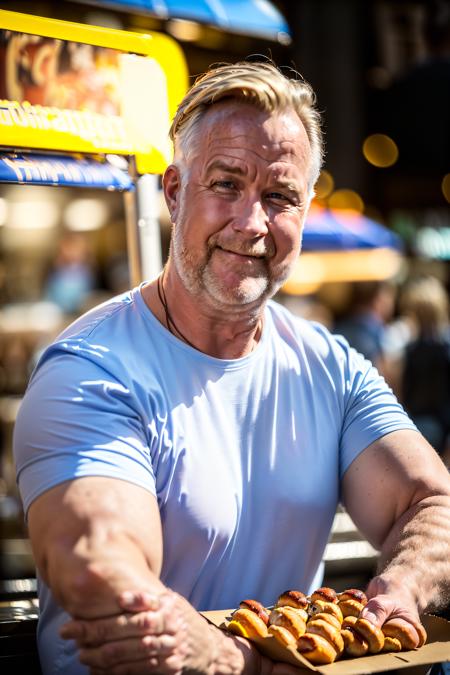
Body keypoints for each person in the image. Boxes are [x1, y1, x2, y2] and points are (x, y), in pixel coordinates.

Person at [13, 61, 450, 675]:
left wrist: (399, 593)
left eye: (279, 196)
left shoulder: (331, 367)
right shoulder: (90, 373)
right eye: (225, 185)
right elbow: (102, 579)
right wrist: (241, 662)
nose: (251, 224)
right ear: (173, 192)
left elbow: (432, 503)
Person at [399, 276, 450, 461]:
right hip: (440, 426)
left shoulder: (411, 350)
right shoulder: (445, 348)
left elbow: (404, 391)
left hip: (415, 425)